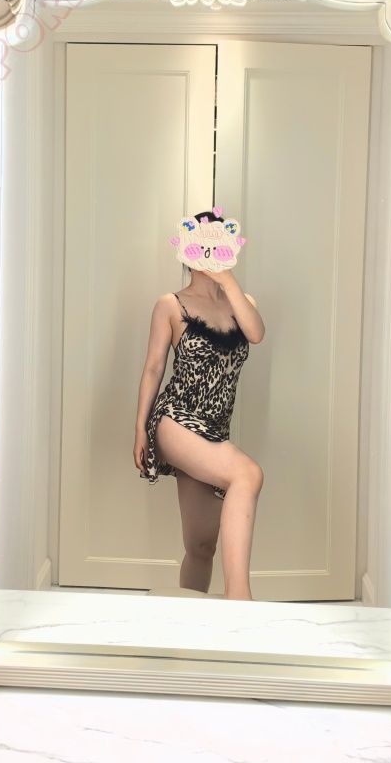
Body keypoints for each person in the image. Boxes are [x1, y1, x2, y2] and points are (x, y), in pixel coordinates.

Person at [133, 210, 266, 601]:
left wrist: (227, 279)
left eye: (217, 244)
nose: (209, 252)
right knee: (248, 475)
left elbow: (256, 333)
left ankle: (190, 622)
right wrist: (140, 428)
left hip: (215, 429)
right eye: (202, 245)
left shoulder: (243, 303)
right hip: (176, 419)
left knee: (201, 544)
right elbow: (153, 368)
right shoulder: (170, 305)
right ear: (187, 251)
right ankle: (239, 600)